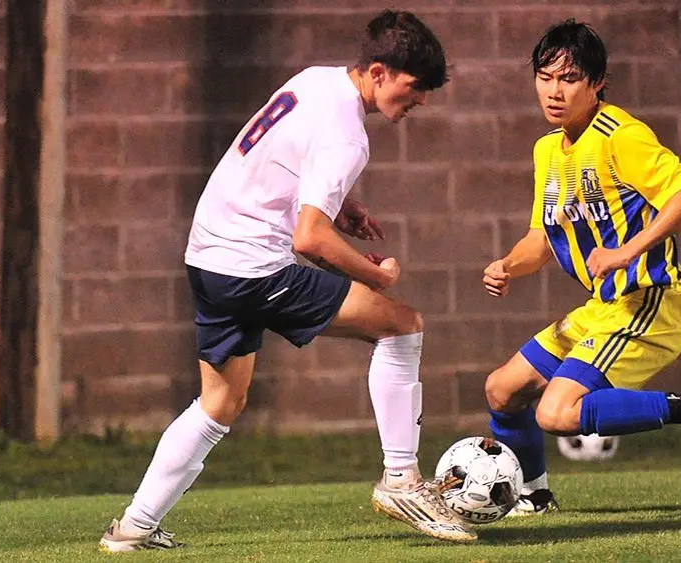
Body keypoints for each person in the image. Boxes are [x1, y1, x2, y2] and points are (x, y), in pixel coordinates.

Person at [99, 10, 477, 551]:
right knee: (401, 326)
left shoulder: (314, 80)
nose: (421, 100)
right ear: (377, 72)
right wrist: (374, 273)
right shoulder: (348, 136)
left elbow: (281, 157)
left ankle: (133, 528)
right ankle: (402, 481)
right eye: (415, 87)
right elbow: (309, 240)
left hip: (208, 257)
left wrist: (339, 205)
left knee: (220, 402)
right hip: (254, 267)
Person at [481, 20, 681, 516]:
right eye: (545, 77)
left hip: (649, 302)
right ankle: (536, 496)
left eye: (569, 79)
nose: (554, 90)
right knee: (502, 389)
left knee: (557, 412)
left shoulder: (620, 136)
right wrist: (507, 265)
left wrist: (626, 250)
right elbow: (543, 238)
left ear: (597, 83)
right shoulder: (547, 149)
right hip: (603, 308)